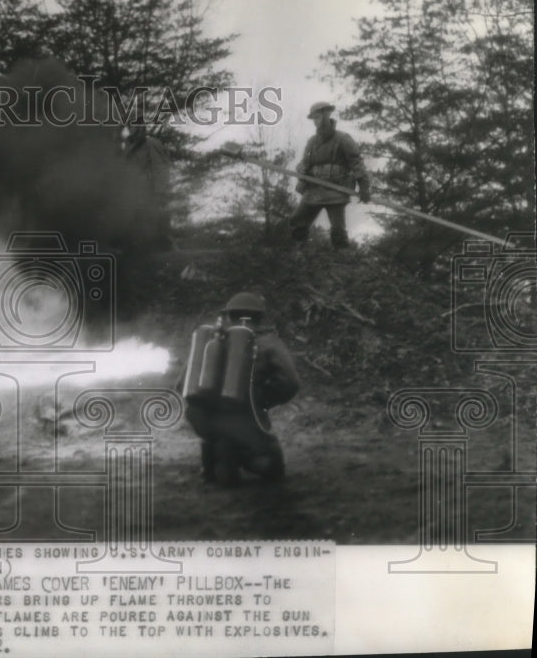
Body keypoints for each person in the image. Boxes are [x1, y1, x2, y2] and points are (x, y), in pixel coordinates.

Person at [180, 292, 301, 485]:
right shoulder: (269, 343)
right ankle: (236, 456)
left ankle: (212, 459)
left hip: (201, 419)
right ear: (260, 318)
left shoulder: (209, 341)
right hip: (245, 418)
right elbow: (290, 383)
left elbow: (182, 384)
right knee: (273, 468)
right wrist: (264, 401)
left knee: (215, 432)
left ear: (228, 316)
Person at [289, 101, 371, 250]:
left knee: (338, 230)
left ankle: (342, 261)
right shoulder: (312, 142)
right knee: (297, 220)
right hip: (314, 189)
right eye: (314, 118)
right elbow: (305, 163)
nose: (316, 121)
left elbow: (356, 163)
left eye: (318, 117)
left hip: (336, 190)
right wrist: (301, 170)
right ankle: (299, 256)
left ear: (327, 116)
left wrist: (364, 186)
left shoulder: (343, 139)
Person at [123, 118, 173, 248]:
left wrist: (160, 192)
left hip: (148, 190)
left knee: (154, 219)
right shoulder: (128, 146)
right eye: (131, 124)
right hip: (131, 190)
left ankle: (163, 245)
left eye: (137, 124)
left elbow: (161, 168)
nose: (134, 127)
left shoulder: (151, 143)